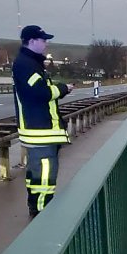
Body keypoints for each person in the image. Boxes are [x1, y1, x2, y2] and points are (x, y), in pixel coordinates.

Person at [12, 25, 75, 217]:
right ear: (31, 41)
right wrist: (62, 89)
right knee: (45, 173)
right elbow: (38, 93)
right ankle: (43, 213)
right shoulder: (26, 65)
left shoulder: (29, 63)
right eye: (43, 40)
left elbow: (38, 90)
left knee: (36, 173)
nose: (46, 44)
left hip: (39, 130)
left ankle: (36, 205)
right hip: (40, 131)